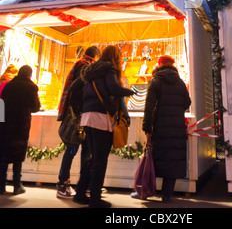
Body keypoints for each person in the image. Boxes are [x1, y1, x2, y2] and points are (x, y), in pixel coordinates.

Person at [81, 45, 135, 208]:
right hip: (100, 118)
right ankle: (95, 199)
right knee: (100, 160)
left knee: (92, 157)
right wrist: (130, 92)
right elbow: (113, 88)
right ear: (115, 57)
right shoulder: (109, 68)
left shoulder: (91, 70)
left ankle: (81, 192)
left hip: (87, 117)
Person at [138, 55, 191, 203]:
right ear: (172, 66)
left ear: (159, 65)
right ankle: (167, 195)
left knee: (154, 159)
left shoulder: (155, 81)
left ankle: (146, 191)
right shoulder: (180, 83)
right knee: (172, 159)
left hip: (160, 127)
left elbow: (149, 107)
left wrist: (146, 126)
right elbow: (187, 102)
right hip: (177, 127)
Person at [56, 46, 100, 200]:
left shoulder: (78, 65)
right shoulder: (86, 69)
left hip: (78, 115)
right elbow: (78, 92)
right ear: (95, 57)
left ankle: (78, 184)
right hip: (80, 117)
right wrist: (80, 112)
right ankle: (64, 184)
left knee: (76, 150)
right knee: (75, 150)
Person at [0, 65, 40, 195]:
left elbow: (1, 103)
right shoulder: (31, 87)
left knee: (4, 154)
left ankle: (1, 185)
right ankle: (17, 185)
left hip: (6, 124)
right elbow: (35, 107)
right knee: (18, 155)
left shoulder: (9, 85)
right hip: (21, 125)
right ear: (30, 75)